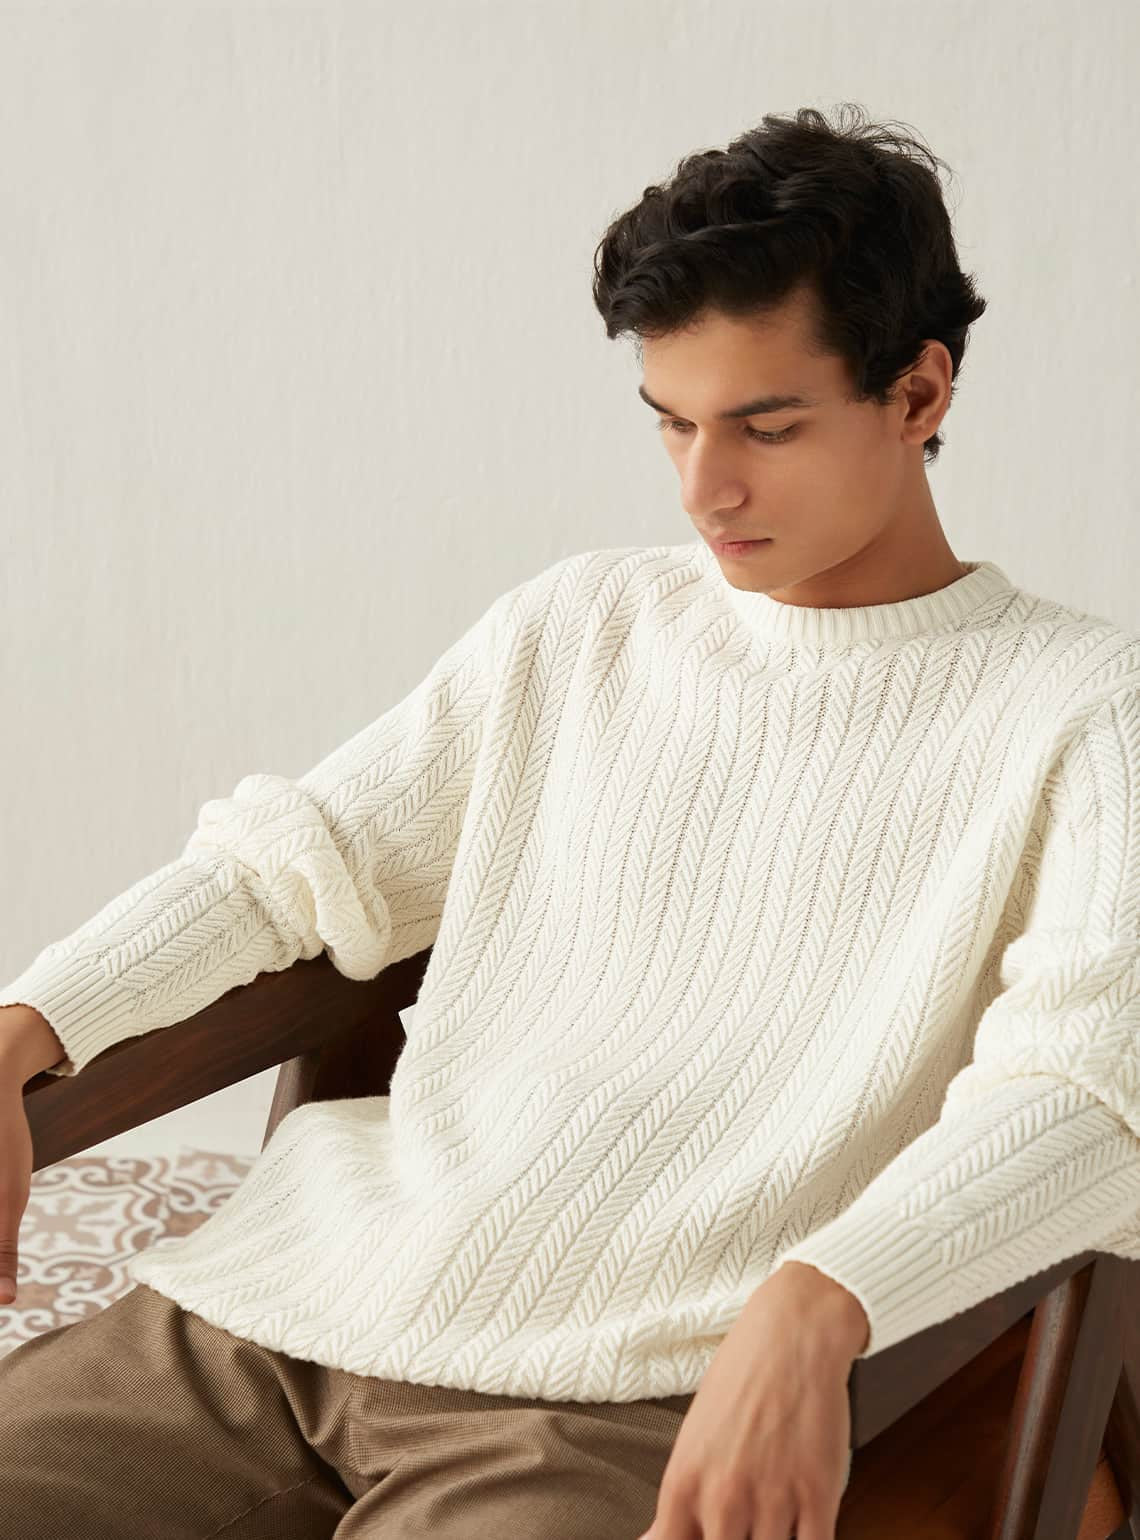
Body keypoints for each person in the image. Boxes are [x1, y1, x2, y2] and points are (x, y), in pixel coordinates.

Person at [2, 101, 1138, 1540]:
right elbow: (298, 868)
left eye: (767, 426)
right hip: (273, 1315)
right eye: (671, 422)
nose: (705, 487)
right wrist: (31, 1023)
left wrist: (821, 1301)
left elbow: (1092, 1090)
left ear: (919, 395)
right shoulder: (582, 625)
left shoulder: (1086, 710)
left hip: (613, 1400)